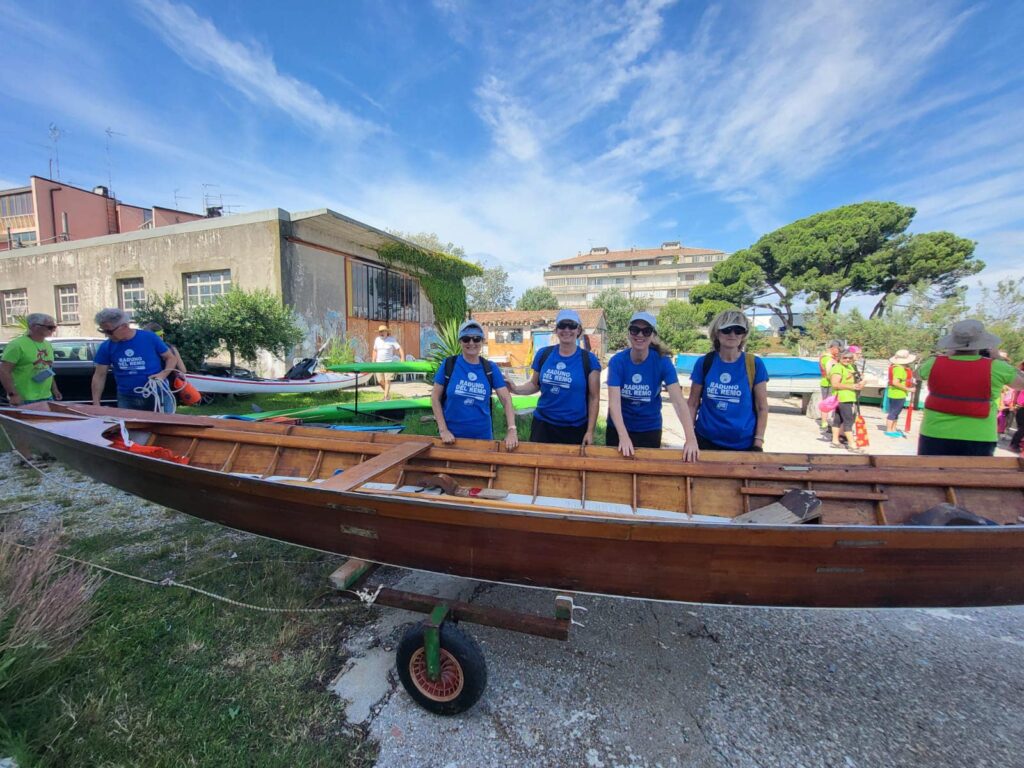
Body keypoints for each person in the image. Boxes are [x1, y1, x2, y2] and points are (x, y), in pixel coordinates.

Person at [917, 320, 1024, 457]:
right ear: (983, 344)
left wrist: (947, 355)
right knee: (972, 477)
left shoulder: (934, 363)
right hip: (979, 436)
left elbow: (917, 375)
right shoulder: (997, 367)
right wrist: (999, 358)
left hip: (934, 433)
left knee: (931, 476)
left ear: (953, 343)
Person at [606, 311, 699, 460]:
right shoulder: (617, 362)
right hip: (618, 427)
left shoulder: (663, 362)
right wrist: (623, 436)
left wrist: (690, 439)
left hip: (649, 428)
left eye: (646, 331)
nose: (640, 335)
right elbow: (614, 403)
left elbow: (678, 402)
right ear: (629, 333)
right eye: (635, 330)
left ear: (653, 335)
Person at [507, 309, 601, 445]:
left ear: (578, 330)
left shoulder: (589, 360)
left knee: (569, 466)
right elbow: (534, 385)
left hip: (574, 429)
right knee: (540, 465)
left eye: (572, 325)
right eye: (562, 325)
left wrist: (590, 431)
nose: (567, 330)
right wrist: (515, 389)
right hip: (543, 426)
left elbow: (594, 398)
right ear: (556, 330)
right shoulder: (544, 354)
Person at [687, 310, 769, 451]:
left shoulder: (754, 364)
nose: (732, 334)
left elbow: (762, 407)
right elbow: (693, 404)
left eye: (738, 330)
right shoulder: (705, 362)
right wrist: (690, 439)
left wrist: (758, 442)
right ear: (717, 333)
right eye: (726, 329)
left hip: (743, 444)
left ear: (744, 334)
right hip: (705, 440)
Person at [431, 319, 518, 450]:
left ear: (482, 341)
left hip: (482, 438)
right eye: (466, 339)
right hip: (451, 438)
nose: (471, 343)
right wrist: (443, 430)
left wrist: (512, 430)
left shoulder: (490, 368)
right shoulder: (449, 364)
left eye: (476, 339)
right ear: (460, 341)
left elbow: (506, 399)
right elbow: (435, 397)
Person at [92, 308, 178, 412]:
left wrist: (163, 375)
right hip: (127, 397)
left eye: (109, 331)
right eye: (103, 331)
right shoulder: (106, 347)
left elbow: (171, 358)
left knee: (164, 427)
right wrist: (96, 403)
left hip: (158, 394)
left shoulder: (149, 338)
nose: (106, 335)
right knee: (129, 428)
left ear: (124, 326)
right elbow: (99, 375)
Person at [0, 313, 62, 406]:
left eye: (54, 327)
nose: (53, 330)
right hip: (24, 398)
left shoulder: (47, 345)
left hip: (46, 397)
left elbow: (48, 369)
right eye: (49, 327)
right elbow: (4, 371)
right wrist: (13, 394)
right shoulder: (17, 345)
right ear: (34, 326)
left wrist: (54, 389)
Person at [829, 348, 864, 452]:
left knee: (837, 419)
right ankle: (852, 445)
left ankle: (835, 441)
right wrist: (852, 387)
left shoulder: (849, 367)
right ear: (839, 358)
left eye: (850, 358)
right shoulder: (837, 368)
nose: (847, 360)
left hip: (848, 397)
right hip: (843, 398)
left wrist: (861, 383)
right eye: (845, 358)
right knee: (848, 421)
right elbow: (835, 384)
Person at [884, 349, 916, 437]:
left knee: (896, 412)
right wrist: (908, 389)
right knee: (894, 412)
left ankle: (893, 429)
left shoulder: (897, 367)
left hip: (895, 393)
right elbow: (895, 382)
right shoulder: (899, 369)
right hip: (897, 394)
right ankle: (889, 430)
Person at [372, 324, 404, 401]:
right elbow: (374, 350)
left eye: (383, 331)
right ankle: (388, 394)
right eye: (380, 332)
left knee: (387, 380)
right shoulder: (377, 340)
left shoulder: (392, 340)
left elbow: (399, 348)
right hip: (379, 363)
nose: (381, 333)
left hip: (389, 363)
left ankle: (385, 397)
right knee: (380, 381)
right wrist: (373, 360)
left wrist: (402, 358)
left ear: (387, 332)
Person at [818, 339, 843, 430]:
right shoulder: (827, 358)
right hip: (827, 384)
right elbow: (829, 373)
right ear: (833, 348)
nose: (839, 351)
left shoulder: (831, 358)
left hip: (830, 383)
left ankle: (829, 421)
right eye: (838, 349)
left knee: (833, 403)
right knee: (827, 403)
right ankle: (824, 423)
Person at [1010, 361, 1024, 454]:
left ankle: (1016, 444)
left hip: (1020, 406)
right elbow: (1016, 391)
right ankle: (1014, 444)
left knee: (1021, 428)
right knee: (1022, 428)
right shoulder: (1021, 376)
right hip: (1021, 406)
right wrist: (1014, 403)